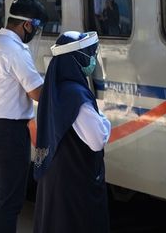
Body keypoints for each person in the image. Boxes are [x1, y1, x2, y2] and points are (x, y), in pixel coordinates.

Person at [0, 0, 46, 233]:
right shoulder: (16, 50)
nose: (34, 33)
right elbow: (37, 92)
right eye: (35, 27)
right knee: (10, 200)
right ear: (27, 24)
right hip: (8, 133)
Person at [32, 31, 111, 233]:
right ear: (76, 58)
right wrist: (104, 120)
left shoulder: (56, 89)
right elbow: (96, 140)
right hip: (74, 179)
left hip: (55, 175)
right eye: (89, 54)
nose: (92, 60)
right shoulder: (76, 95)